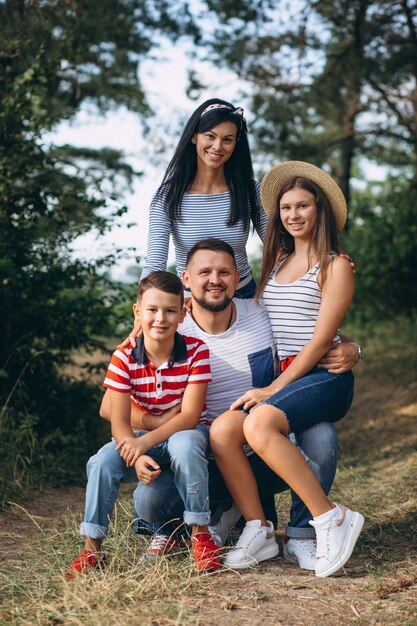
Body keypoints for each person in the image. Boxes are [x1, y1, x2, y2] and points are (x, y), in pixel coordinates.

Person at [130, 238, 361, 571]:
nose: (215, 279)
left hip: (262, 452)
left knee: (321, 434)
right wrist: (166, 423)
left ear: (237, 278)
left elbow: (315, 331)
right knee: (150, 501)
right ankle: (225, 511)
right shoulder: (166, 326)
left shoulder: (260, 311)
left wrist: (353, 347)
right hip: (201, 460)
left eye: (224, 272)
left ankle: (300, 534)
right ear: (186, 279)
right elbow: (116, 404)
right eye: (205, 272)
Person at [210, 162, 364, 578]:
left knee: (259, 423)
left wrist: (350, 349)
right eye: (286, 208)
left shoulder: (336, 266)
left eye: (303, 206)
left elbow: (319, 340)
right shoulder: (275, 264)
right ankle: (268, 529)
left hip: (322, 376)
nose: (294, 215)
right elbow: (262, 317)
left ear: (320, 211)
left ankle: (328, 518)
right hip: (285, 375)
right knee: (227, 431)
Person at [66, 271, 221, 579]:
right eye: (152, 310)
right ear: (138, 312)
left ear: (183, 313)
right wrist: (135, 452)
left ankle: (200, 534)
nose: (160, 318)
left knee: (184, 443)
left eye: (170, 310)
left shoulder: (196, 352)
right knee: (101, 462)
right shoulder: (123, 357)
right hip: (138, 438)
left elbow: (189, 417)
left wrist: (143, 445)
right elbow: (119, 423)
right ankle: (92, 548)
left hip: (187, 434)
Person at [141, 97, 267, 299]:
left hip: (244, 294)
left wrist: (326, 259)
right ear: (194, 137)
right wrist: (144, 311)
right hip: (191, 301)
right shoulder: (167, 196)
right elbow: (156, 263)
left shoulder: (250, 190)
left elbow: (279, 246)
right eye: (210, 136)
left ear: (235, 144)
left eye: (227, 139)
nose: (217, 146)